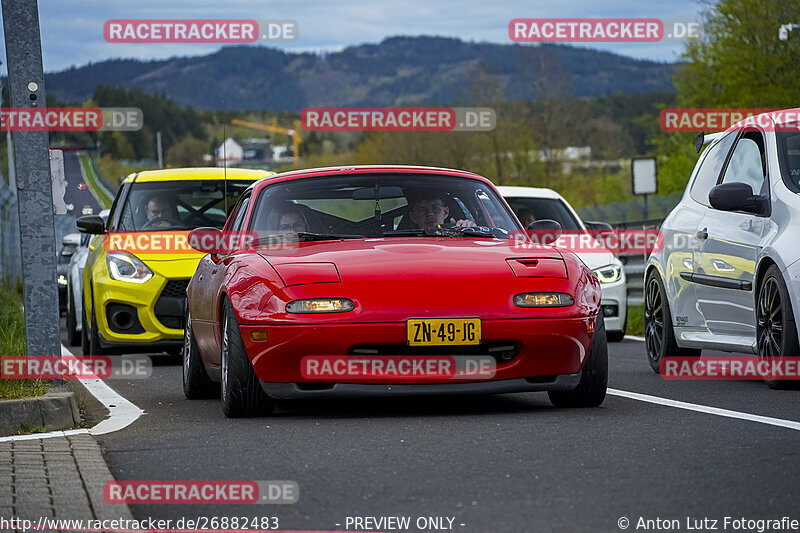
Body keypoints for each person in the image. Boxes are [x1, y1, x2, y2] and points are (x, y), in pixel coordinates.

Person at [406, 193, 476, 229]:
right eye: (422, 210)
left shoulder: (459, 234)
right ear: (413, 217)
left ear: (445, 212)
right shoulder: (405, 243)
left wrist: (470, 230)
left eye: (435, 208)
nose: (430, 213)